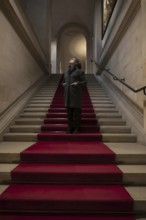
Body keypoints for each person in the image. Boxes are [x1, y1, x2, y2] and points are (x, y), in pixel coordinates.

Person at [63, 57, 87, 134]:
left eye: (73, 59)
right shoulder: (66, 72)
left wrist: (77, 83)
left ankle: (76, 128)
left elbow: (85, 82)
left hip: (76, 95)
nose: (71, 59)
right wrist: (63, 84)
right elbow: (63, 81)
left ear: (76, 62)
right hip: (68, 95)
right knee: (69, 114)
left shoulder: (79, 72)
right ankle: (70, 128)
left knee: (77, 114)